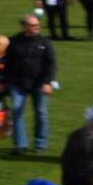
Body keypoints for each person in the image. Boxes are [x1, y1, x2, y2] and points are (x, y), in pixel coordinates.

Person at [8, 12, 59, 156]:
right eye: (32, 25)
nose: (36, 27)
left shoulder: (44, 42)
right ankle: (20, 144)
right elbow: (8, 62)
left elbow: (51, 64)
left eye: (37, 25)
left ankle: (40, 144)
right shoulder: (14, 41)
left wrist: (48, 82)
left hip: (39, 83)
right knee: (17, 111)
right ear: (24, 26)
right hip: (18, 82)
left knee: (41, 113)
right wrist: (4, 81)